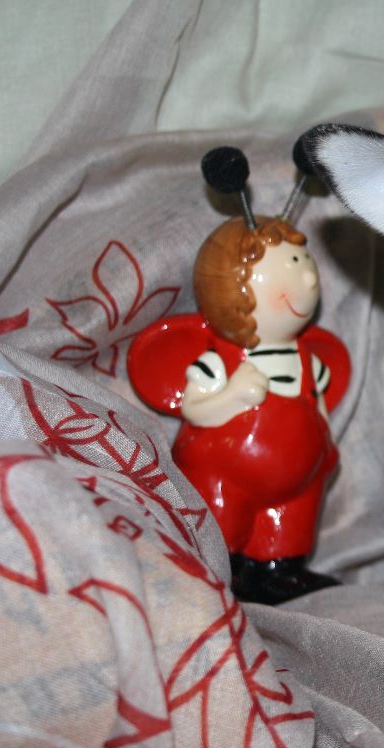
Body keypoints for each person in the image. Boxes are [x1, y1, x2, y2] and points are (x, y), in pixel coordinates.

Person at [129, 215, 350, 602]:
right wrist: (233, 396)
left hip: (299, 482)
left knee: (290, 526)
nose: (309, 278)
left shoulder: (307, 358)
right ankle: (223, 569)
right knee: (219, 531)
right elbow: (195, 409)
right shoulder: (218, 361)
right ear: (234, 287)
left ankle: (280, 569)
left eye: (305, 263)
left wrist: (326, 446)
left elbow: (317, 403)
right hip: (225, 477)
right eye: (292, 265)